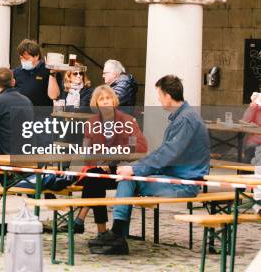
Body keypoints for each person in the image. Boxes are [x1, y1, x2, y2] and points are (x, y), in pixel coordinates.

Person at [90, 75, 209, 255]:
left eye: (159, 95)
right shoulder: (183, 116)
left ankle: (117, 235)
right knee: (127, 179)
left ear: (168, 96)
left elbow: (167, 154)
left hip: (183, 182)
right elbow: (165, 153)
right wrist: (135, 168)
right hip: (175, 176)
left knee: (127, 179)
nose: (158, 99)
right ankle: (117, 235)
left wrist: (134, 168)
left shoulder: (185, 119)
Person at [57, 86, 147, 237]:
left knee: (93, 178)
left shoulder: (128, 121)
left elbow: (139, 146)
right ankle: (100, 231)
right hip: (100, 170)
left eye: (108, 98)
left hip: (122, 170)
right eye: (101, 99)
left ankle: (84, 222)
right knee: (94, 177)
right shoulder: (91, 124)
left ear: (114, 100)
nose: (105, 102)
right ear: (96, 103)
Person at [13, 39, 60, 107]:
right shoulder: (16, 72)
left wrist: (52, 74)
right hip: (22, 113)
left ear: (36, 56)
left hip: (42, 113)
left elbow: (54, 96)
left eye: (27, 58)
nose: (23, 61)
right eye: (21, 58)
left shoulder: (48, 70)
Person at [242, 91, 261, 163]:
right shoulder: (257, 108)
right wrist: (252, 106)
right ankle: (243, 172)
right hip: (255, 140)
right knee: (247, 158)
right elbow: (245, 121)